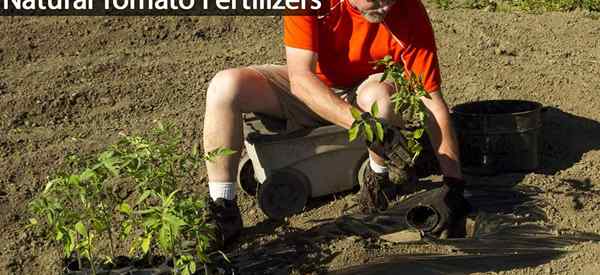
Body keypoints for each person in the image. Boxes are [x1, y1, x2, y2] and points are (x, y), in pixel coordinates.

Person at [202, 0, 471, 247]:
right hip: (311, 86)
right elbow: (301, 80)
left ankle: (377, 180)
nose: (385, 6)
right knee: (225, 87)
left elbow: (431, 101)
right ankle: (223, 207)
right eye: (375, 0)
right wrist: (366, 128)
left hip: (366, 90)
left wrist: (453, 184)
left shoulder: (408, 11)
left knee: (380, 99)